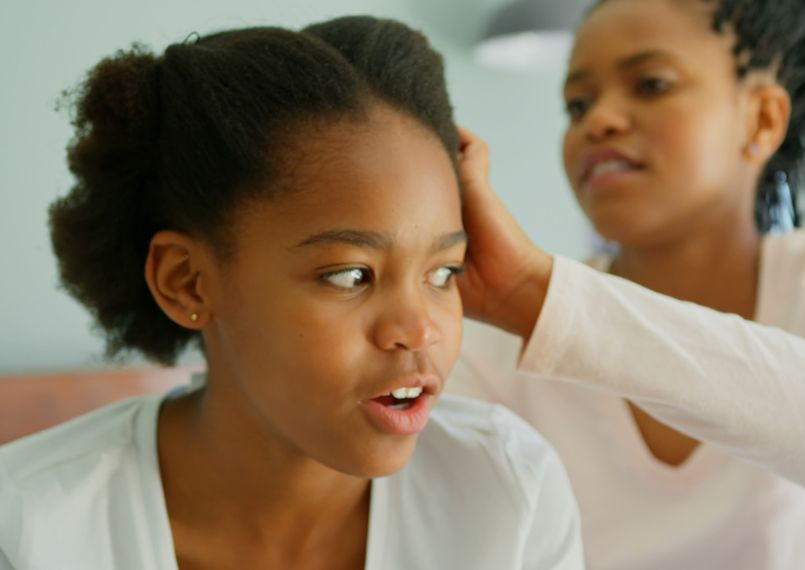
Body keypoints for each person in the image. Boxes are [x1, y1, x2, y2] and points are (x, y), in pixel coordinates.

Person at [0, 16, 583, 570]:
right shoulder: (30, 526)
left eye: (443, 272)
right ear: (187, 280)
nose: (420, 329)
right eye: (352, 276)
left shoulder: (509, 489)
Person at [448, 0, 805, 568]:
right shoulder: (501, 339)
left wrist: (543, 300)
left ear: (762, 120)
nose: (598, 120)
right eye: (577, 104)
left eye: (651, 84)